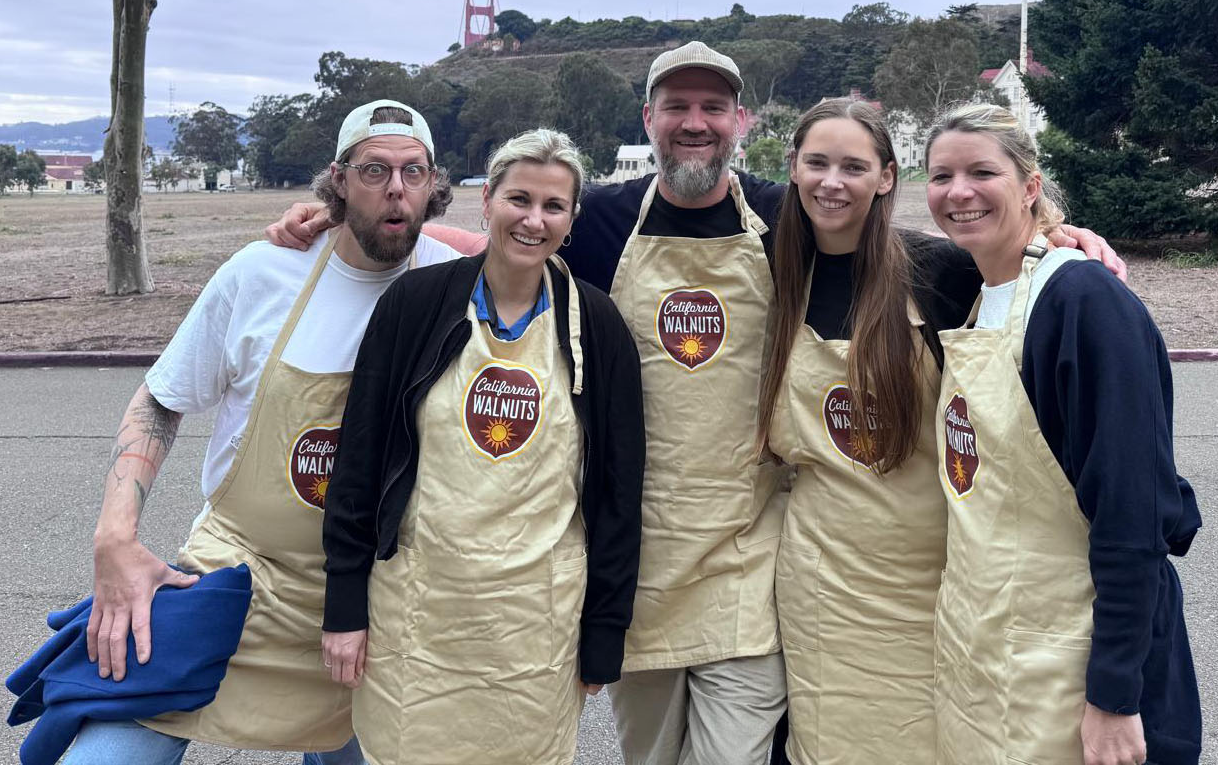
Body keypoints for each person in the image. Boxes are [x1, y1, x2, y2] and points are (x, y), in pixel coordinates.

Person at [266, 41, 1126, 765]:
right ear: (649, 117)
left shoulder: (782, 216)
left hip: (748, 563)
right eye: (677, 104)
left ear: (740, 126)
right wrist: (333, 220)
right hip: (637, 569)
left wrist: (1051, 233)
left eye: (715, 107)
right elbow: (505, 238)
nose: (695, 122)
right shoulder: (598, 220)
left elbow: (902, 233)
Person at [64, 98, 461, 764]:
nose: (395, 189)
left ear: (433, 184)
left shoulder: (459, 283)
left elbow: (544, 243)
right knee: (108, 750)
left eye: (413, 172)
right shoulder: (261, 274)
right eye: (373, 171)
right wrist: (115, 535)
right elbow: (161, 401)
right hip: (245, 576)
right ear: (337, 180)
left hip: (385, 597)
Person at [318, 129, 645, 765]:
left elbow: (618, 492)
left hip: (535, 628)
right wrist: (344, 607)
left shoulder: (599, 328)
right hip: (419, 615)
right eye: (518, 199)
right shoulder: (415, 306)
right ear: (487, 200)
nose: (533, 220)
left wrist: (604, 633)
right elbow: (359, 462)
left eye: (554, 206)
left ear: (572, 220)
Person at [924, 103, 1202, 765]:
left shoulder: (1082, 301)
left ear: (1029, 185)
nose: (958, 192)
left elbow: (1132, 515)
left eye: (981, 171)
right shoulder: (971, 287)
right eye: (940, 176)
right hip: (990, 648)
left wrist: (1115, 696)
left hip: (1073, 658)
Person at [756, 97, 980, 764]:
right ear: (793, 168)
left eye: (854, 166)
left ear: (886, 176)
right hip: (820, 576)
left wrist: (1066, 240)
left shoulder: (942, 272)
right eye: (817, 162)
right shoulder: (768, 269)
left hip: (929, 571)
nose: (833, 181)